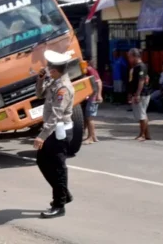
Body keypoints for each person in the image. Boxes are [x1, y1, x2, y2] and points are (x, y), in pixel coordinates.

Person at [34, 50, 75, 219]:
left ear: (55, 70)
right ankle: (64, 193)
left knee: (58, 168)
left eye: (50, 68)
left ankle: (59, 204)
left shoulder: (63, 88)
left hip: (60, 132)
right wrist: (40, 79)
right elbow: (39, 94)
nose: (47, 69)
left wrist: (41, 136)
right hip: (53, 130)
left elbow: (56, 114)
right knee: (42, 160)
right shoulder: (55, 82)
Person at [127, 48, 151, 141]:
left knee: (141, 116)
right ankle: (147, 134)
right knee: (143, 114)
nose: (129, 59)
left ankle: (142, 135)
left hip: (142, 94)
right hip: (138, 93)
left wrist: (137, 94)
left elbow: (141, 81)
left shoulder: (141, 67)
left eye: (129, 57)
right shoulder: (136, 67)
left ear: (134, 56)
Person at [83, 58, 103, 144]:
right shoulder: (91, 69)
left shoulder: (89, 69)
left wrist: (99, 95)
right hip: (92, 97)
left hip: (93, 98)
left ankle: (91, 137)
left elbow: (98, 82)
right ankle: (92, 136)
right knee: (88, 117)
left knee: (90, 117)